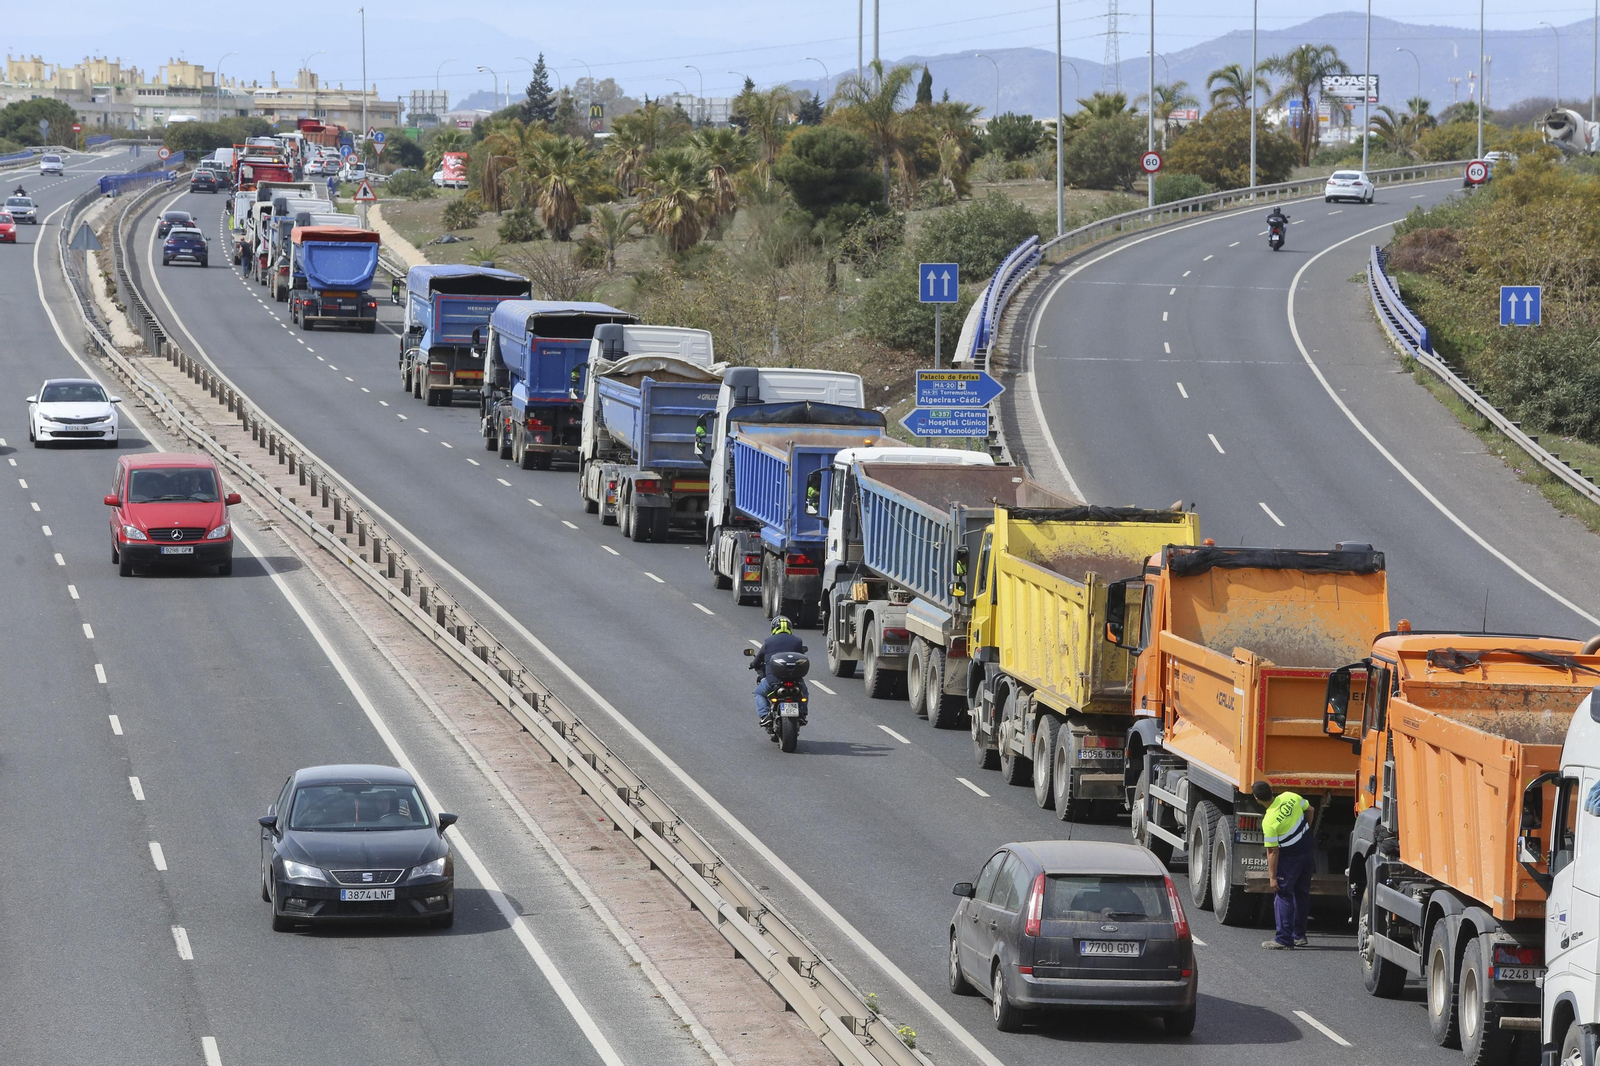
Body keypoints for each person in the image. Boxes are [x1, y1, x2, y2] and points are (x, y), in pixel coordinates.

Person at [1255, 780, 1313, 949]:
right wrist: (1306, 831)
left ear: (1257, 799)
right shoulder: (1290, 796)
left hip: (1289, 860)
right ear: (1272, 791)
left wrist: (1272, 877)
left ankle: (1283, 939)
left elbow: (1272, 851)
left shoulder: (1269, 821)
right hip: (1307, 853)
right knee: (1302, 894)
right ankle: (1299, 936)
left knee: (1283, 895)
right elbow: (1310, 809)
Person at [750, 615, 806, 724]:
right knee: (804, 692)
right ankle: (803, 713)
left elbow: (758, 660)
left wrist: (753, 664)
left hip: (774, 681)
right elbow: (800, 655)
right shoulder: (798, 641)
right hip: (795, 680)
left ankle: (765, 716)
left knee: (759, 693)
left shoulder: (768, 642)